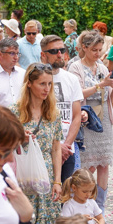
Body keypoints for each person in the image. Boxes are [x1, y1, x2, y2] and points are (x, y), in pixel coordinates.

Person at [12, 63, 63, 224]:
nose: (46, 89)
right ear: (30, 84)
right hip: (23, 176)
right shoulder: (15, 111)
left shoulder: (52, 113)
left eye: (49, 84)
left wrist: (58, 181)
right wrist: (20, 140)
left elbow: (56, 148)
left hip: (47, 176)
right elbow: (4, 145)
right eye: (42, 83)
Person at [68, 31, 113, 214]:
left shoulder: (102, 67)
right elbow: (77, 93)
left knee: (104, 163)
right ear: (84, 48)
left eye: (100, 50)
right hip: (86, 116)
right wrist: (101, 85)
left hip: (103, 115)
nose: (98, 54)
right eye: (94, 50)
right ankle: (85, 203)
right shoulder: (75, 67)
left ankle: (101, 205)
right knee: (88, 163)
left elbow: (111, 99)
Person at [40, 35, 83, 183]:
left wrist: (67, 145)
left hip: (67, 147)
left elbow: (76, 116)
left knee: (64, 194)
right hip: (43, 148)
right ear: (43, 55)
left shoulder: (71, 79)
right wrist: (56, 146)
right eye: (54, 51)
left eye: (62, 50)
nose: (60, 54)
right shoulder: (35, 78)